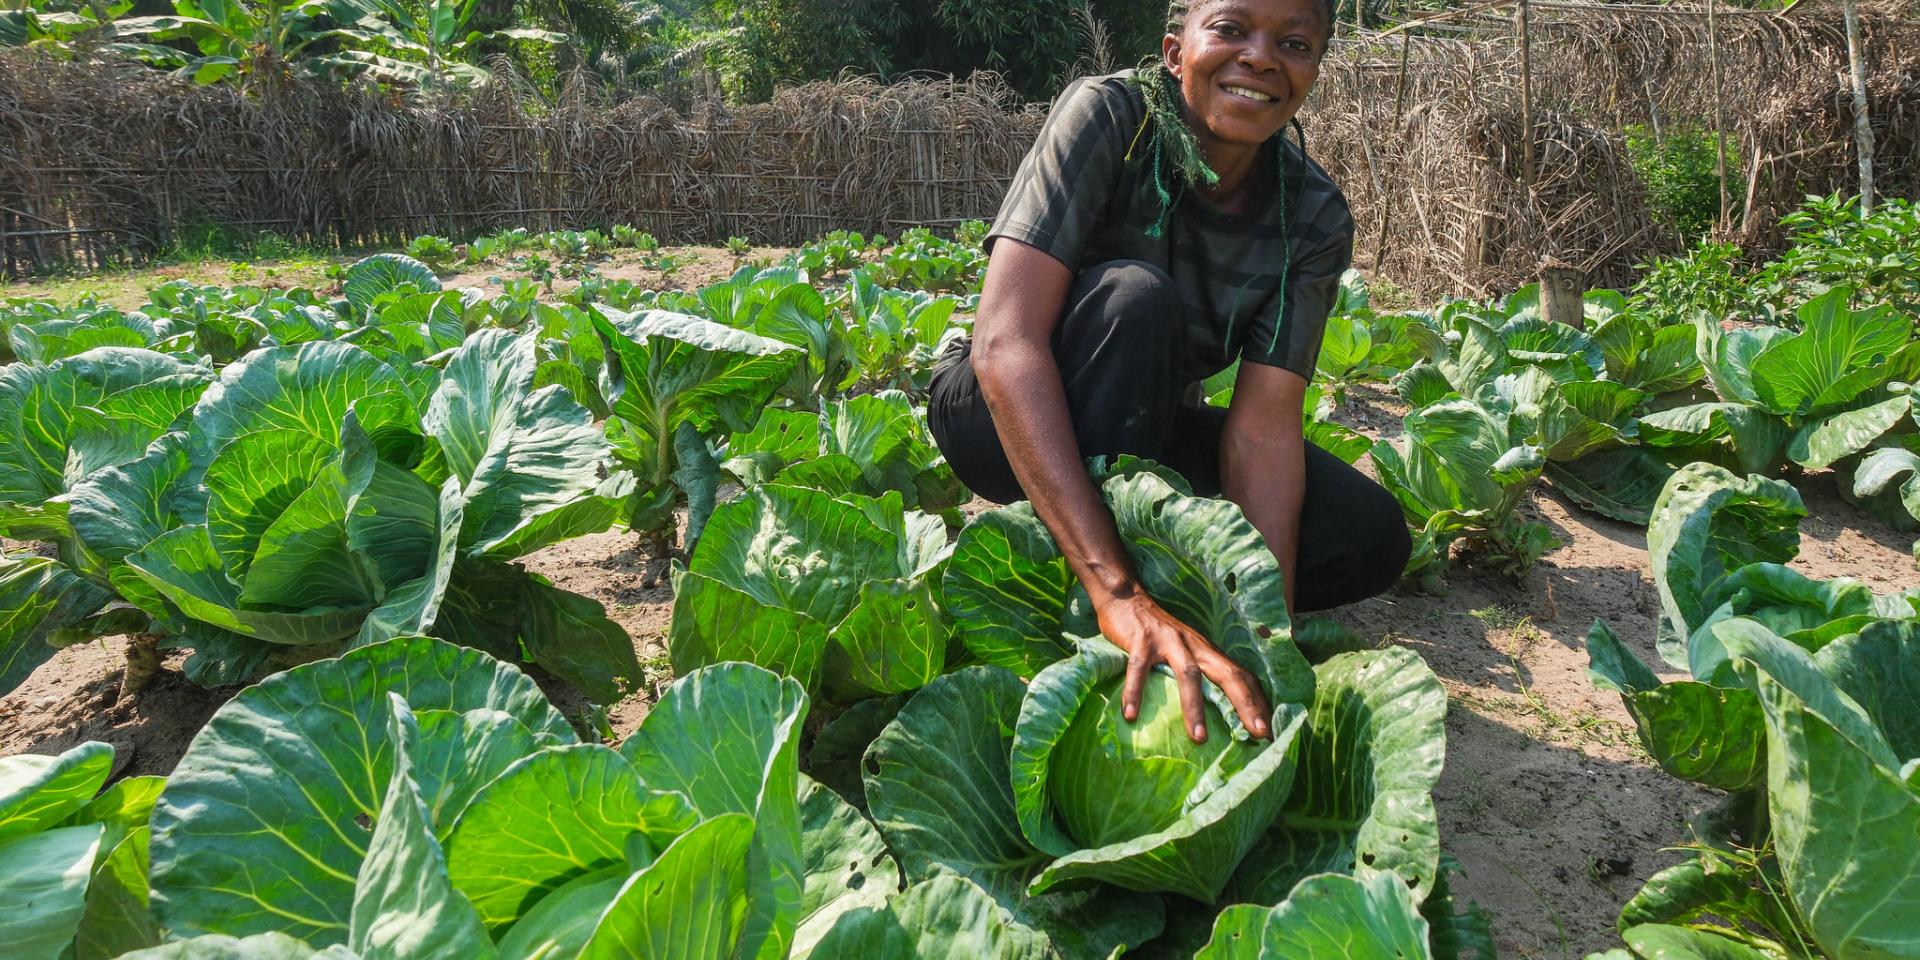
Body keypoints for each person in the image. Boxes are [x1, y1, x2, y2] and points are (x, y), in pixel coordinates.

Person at [927, 0, 1412, 746]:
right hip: (999, 413)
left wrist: (1263, 631)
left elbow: (1263, 433)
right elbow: (1005, 343)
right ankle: (1092, 592)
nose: (1259, 58)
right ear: (1175, 49)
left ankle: (1169, 615)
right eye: (1230, 29)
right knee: (1137, 301)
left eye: (1293, 43)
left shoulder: (1312, 215)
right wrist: (1118, 592)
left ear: (1313, 69)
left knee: (1367, 534)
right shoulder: (1110, 117)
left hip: (1142, 425)